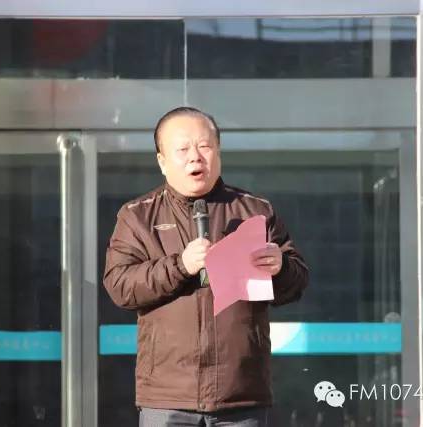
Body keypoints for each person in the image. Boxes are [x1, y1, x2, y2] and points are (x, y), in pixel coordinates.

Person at [103, 106, 309, 427]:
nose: (195, 157)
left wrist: (280, 267)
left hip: (240, 394)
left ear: (218, 152)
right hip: (168, 396)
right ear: (162, 161)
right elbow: (120, 286)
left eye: (204, 146)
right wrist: (180, 266)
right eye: (183, 149)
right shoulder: (137, 216)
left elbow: (296, 284)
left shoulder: (255, 211)